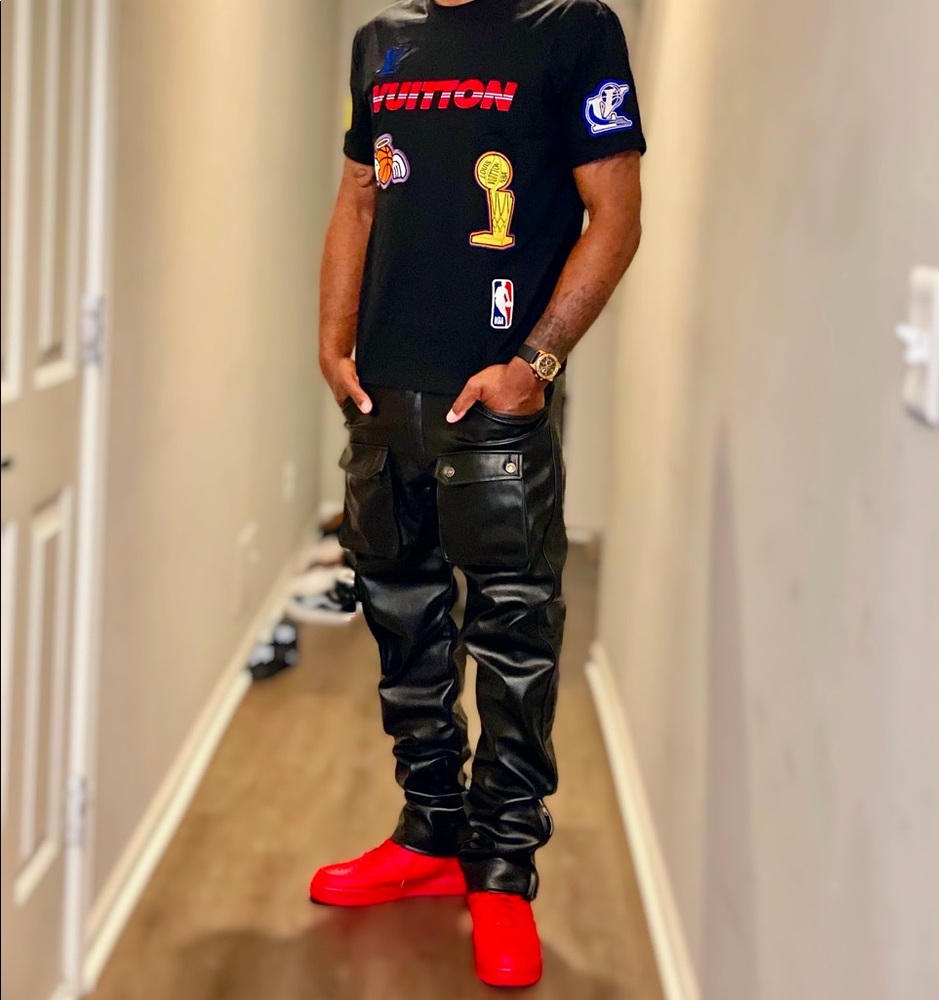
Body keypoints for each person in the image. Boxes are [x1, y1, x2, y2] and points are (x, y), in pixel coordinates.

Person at [311, 0, 644, 987]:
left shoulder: (572, 29)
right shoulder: (381, 42)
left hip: (496, 407)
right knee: (402, 623)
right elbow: (358, 199)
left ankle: (500, 868)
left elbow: (616, 216)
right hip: (385, 401)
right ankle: (429, 833)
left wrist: (534, 364)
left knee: (513, 637)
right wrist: (332, 339)